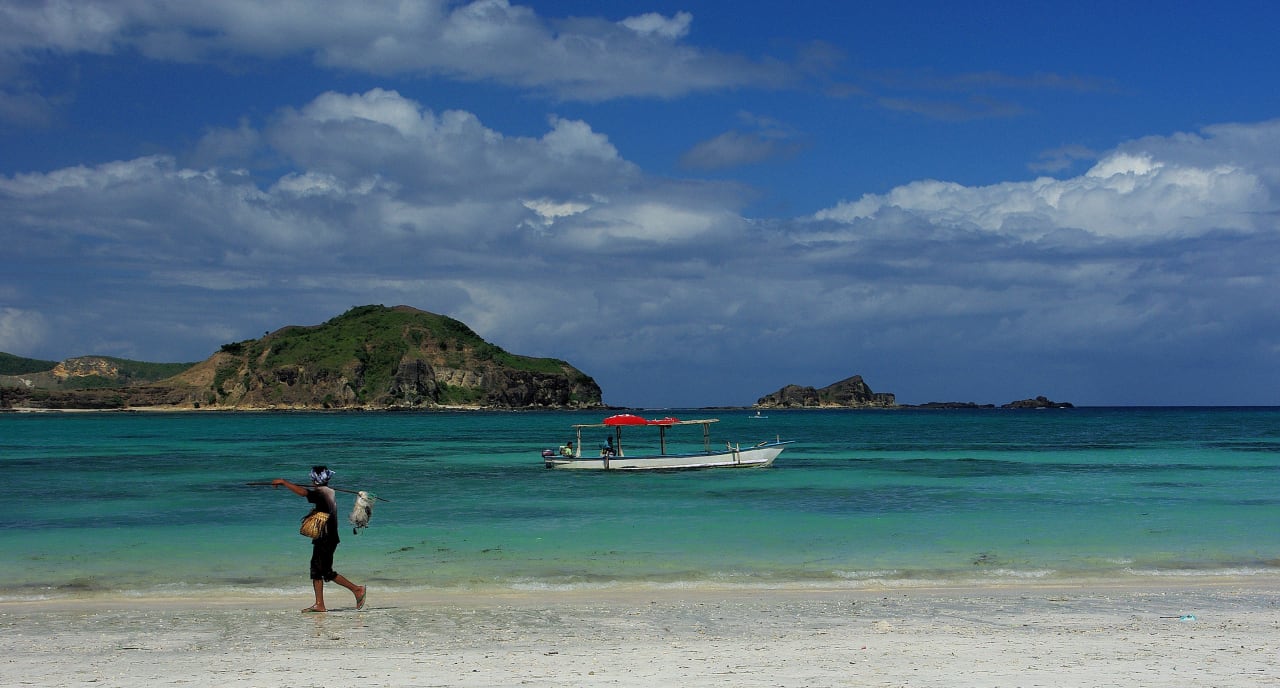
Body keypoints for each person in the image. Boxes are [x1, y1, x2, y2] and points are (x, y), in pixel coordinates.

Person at [272, 466, 367, 613]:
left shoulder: (322, 493)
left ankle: (356, 590)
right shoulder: (329, 491)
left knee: (319, 570)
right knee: (322, 571)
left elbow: (303, 492)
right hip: (328, 537)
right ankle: (321, 603)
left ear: (315, 480)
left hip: (326, 537)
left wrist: (284, 482)